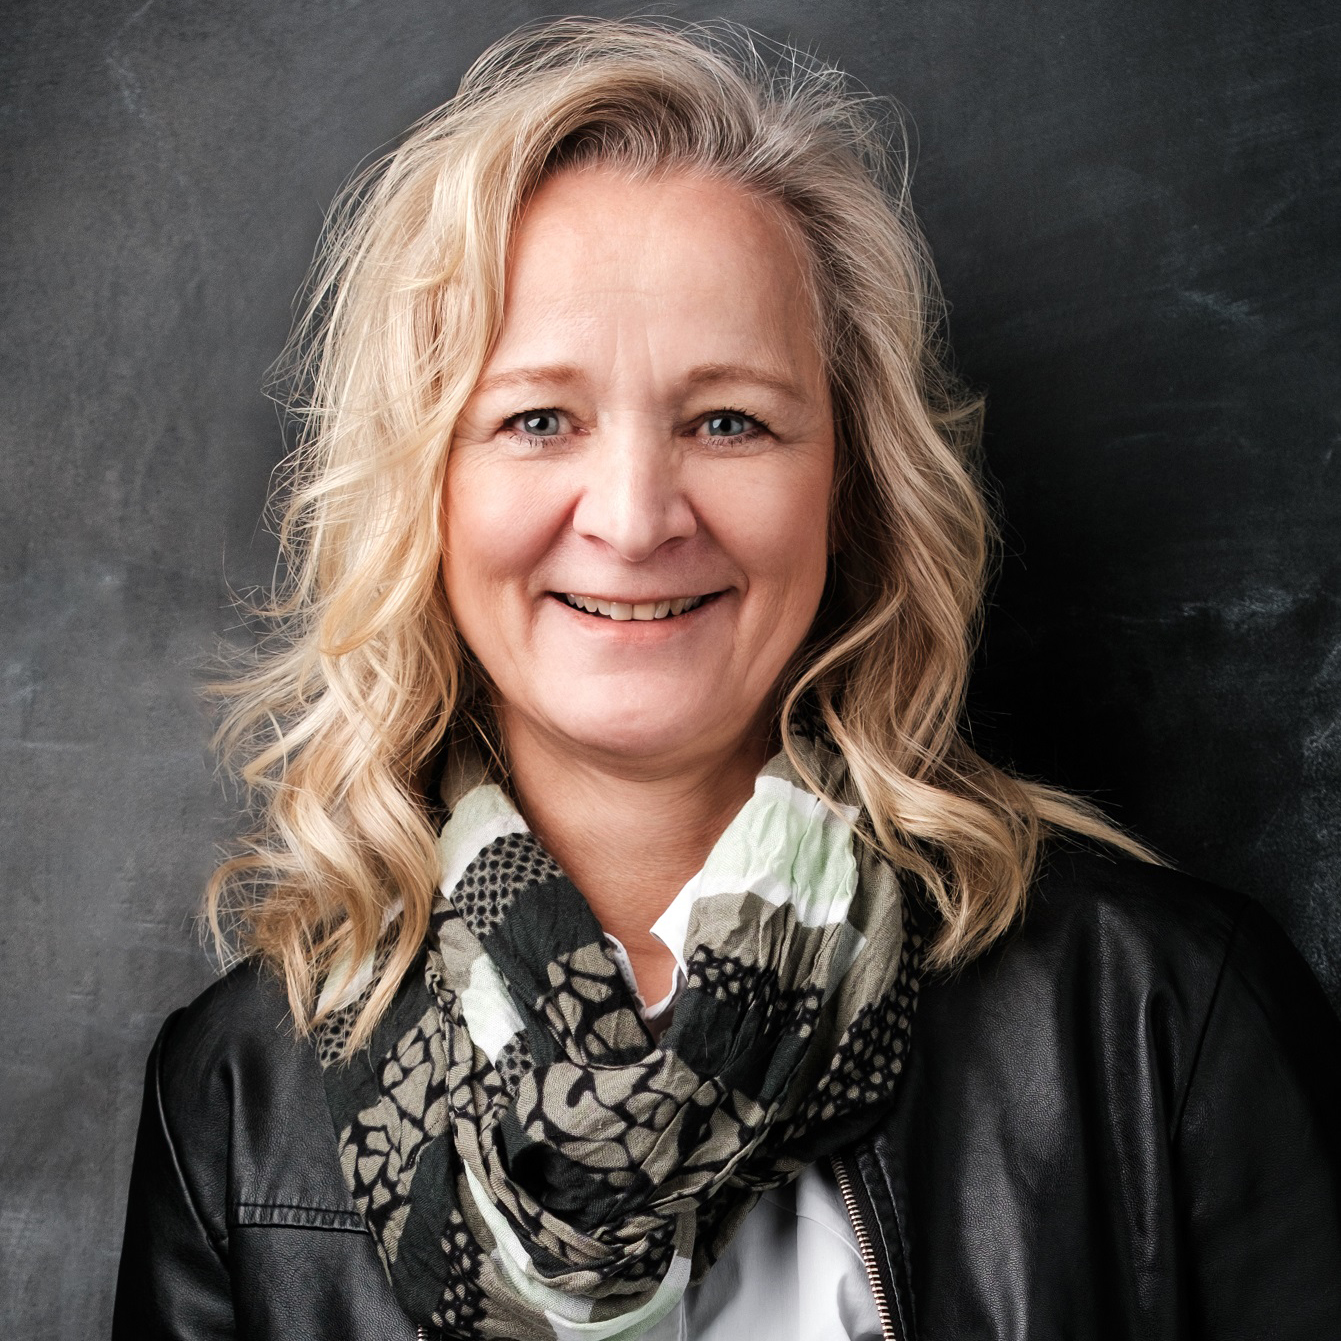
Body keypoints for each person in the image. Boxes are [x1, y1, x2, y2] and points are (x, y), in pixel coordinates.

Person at [112, 18, 1341, 1341]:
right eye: (537, 418)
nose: (635, 518)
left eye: (729, 420)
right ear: (427, 488)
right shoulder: (238, 1100)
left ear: (850, 487)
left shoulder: (1160, 1020)